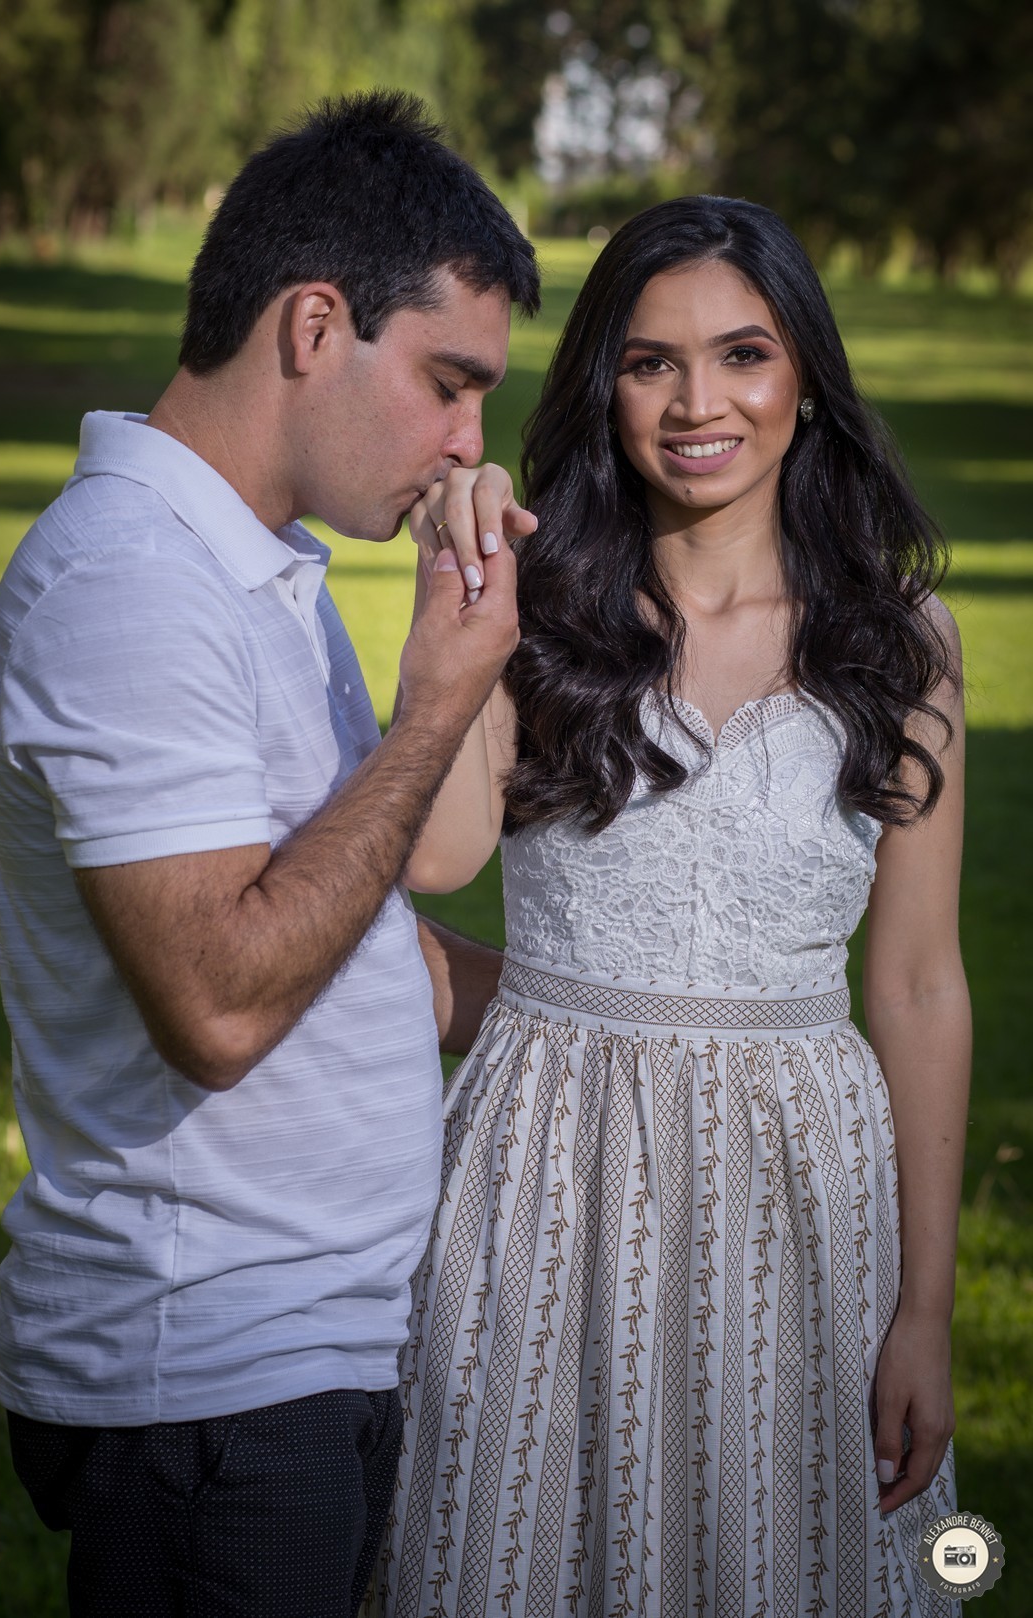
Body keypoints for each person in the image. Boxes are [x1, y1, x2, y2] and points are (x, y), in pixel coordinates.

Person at [0, 90, 541, 1618]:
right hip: (210, 1386)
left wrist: (629, 1010)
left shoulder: (251, 570)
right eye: (447, 381)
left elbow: (357, 946)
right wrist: (436, 710)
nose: (469, 440)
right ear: (310, 326)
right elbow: (221, 998)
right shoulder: (125, 588)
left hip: (299, 1359)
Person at [368, 196, 969, 1617]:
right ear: (605, 386)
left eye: (743, 354)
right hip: (547, 1171)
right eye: (651, 362)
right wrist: (452, 603)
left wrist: (925, 1308)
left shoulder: (895, 635)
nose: (700, 402)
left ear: (804, 376)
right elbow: (439, 857)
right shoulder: (541, 606)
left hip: (804, 1195)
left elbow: (923, 984)